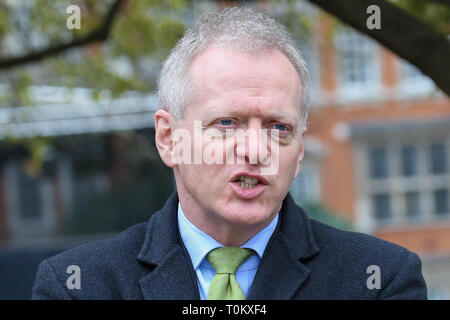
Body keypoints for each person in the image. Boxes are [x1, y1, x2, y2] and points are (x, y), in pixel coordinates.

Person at [32, 7, 427, 300]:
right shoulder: (78, 285)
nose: (256, 151)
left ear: (301, 148)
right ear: (169, 138)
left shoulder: (380, 280)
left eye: (279, 128)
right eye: (227, 124)